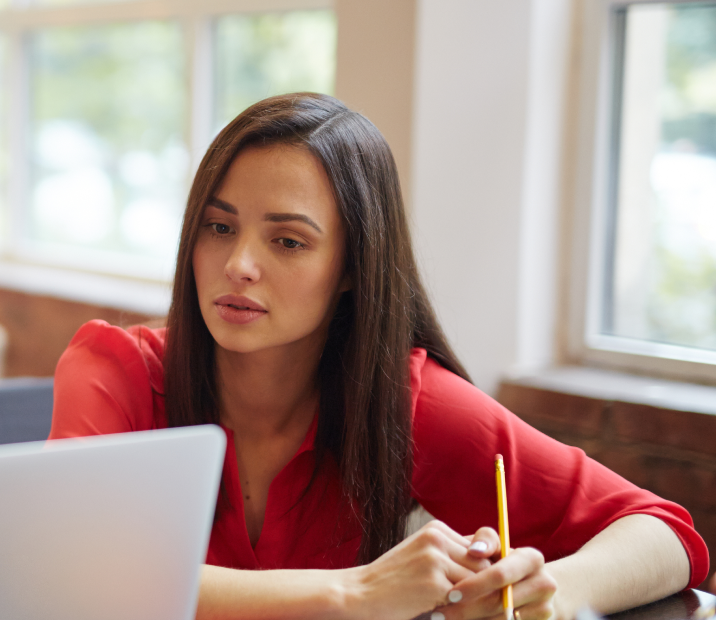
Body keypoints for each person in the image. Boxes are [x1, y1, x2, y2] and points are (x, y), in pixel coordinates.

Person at [50, 93, 707, 620]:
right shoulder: (112, 369)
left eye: (287, 241)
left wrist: (549, 593)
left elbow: (667, 536)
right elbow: (71, 574)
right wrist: (356, 595)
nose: (238, 265)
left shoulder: (400, 398)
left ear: (351, 270)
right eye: (218, 227)